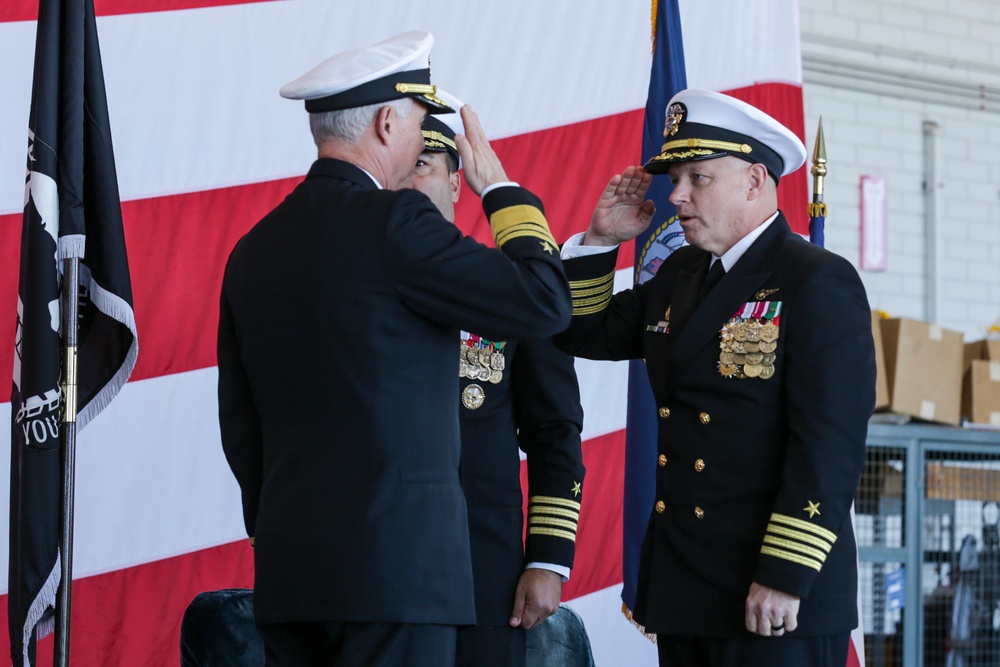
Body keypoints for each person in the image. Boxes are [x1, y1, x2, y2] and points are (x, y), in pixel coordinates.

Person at [217, 31, 571, 667]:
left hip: (293, 577)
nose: (414, 152)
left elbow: (240, 426)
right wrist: (501, 190)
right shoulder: (396, 225)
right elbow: (545, 299)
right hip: (399, 580)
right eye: (415, 123)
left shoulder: (254, 248)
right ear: (386, 122)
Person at [556, 89, 876, 667]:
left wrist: (785, 572)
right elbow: (587, 333)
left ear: (755, 181)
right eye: (676, 177)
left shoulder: (815, 280)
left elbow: (829, 445)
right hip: (688, 587)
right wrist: (601, 241)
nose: (675, 195)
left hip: (776, 596)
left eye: (697, 177)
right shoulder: (683, 272)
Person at [411, 93, 586, 667]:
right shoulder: (350, 286)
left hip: (481, 564)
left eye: (425, 166)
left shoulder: (510, 288)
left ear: (457, 184)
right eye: (401, 166)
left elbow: (554, 430)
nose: (410, 183)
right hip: (379, 562)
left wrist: (547, 558)